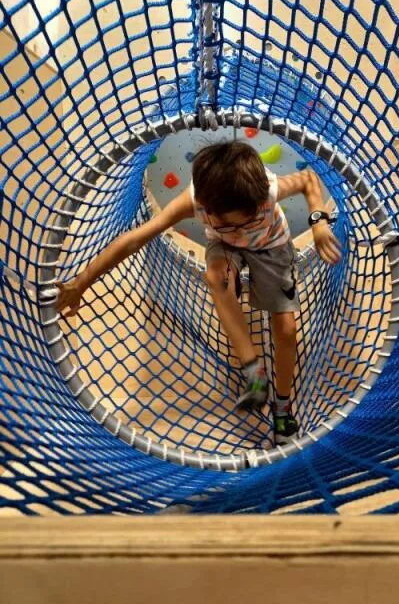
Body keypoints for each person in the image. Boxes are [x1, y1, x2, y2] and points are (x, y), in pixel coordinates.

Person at [56, 141, 341, 445]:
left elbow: (309, 180)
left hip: (271, 245)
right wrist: (81, 283)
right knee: (216, 276)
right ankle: (254, 371)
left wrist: (319, 222)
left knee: (286, 330)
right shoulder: (197, 200)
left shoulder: (269, 191)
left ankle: (283, 408)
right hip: (224, 250)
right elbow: (134, 239)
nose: (235, 229)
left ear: (260, 205)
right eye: (225, 223)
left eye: (243, 222)